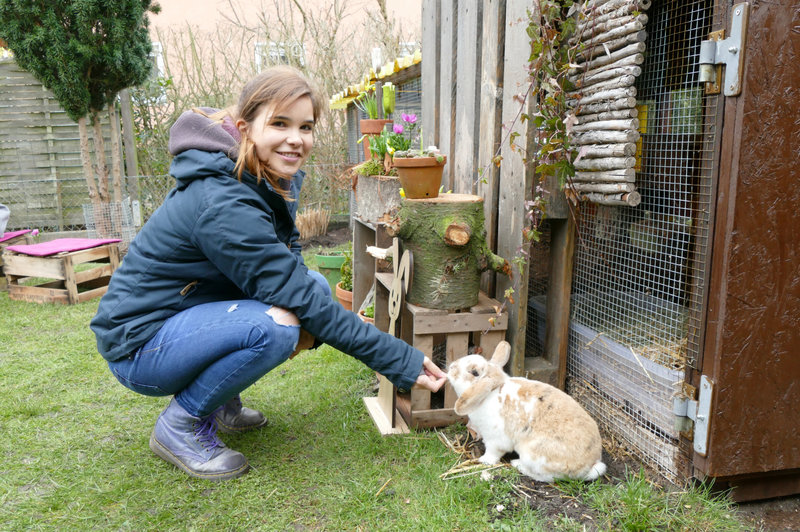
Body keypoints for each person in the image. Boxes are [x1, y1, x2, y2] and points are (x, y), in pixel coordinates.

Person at [90, 65, 446, 481]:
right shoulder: (222, 201)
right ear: (246, 128)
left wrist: (316, 311)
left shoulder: (268, 175)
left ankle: (220, 401)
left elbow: (290, 256)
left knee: (308, 288)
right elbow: (296, 296)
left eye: (306, 126)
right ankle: (180, 425)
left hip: (183, 315)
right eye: (280, 123)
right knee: (275, 327)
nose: (296, 139)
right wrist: (398, 359)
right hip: (140, 345)